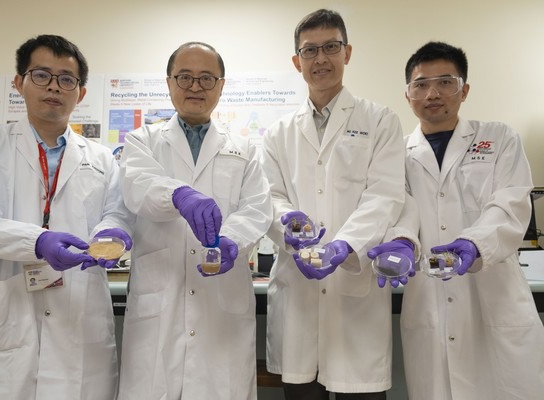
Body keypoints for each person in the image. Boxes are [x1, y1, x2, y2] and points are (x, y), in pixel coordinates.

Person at [0, 34, 133, 400]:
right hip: (7, 311)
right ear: (19, 82)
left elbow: (117, 213)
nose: (54, 87)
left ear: (80, 92)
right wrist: (37, 241)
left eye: (67, 79)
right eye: (42, 75)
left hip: (79, 315)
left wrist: (112, 234)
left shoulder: (102, 159)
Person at [372, 41, 544, 400]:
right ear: (407, 95)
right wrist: (401, 241)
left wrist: (474, 243)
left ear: (463, 90)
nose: (432, 93)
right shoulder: (396, 153)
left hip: (494, 294)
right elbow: (398, 207)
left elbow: (510, 204)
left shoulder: (498, 138)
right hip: (428, 301)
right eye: (421, 84)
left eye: (445, 82)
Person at [262, 9, 408, 400]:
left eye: (331, 47)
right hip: (298, 290)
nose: (321, 58)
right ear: (297, 62)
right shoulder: (278, 132)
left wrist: (345, 245)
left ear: (347, 52)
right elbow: (269, 196)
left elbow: (385, 194)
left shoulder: (380, 120)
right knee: (301, 389)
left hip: (353, 290)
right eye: (310, 50)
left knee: (358, 390)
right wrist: (287, 222)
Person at [118, 42, 272, 400]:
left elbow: (257, 207)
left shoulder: (244, 149)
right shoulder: (142, 141)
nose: (195, 87)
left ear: (221, 85)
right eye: (185, 77)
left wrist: (232, 239)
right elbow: (137, 187)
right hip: (160, 297)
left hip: (222, 302)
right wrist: (178, 194)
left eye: (206, 78)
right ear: (169, 82)